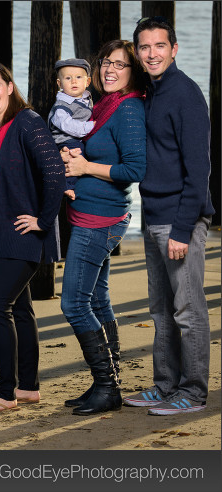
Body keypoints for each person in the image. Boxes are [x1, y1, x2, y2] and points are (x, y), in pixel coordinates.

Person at [123, 17, 214, 415]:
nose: (152, 53)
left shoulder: (185, 94)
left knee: (188, 312)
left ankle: (192, 392)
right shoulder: (152, 92)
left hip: (181, 221)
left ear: (173, 48)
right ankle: (165, 385)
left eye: (159, 46)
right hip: (155, 216)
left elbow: (199, 171)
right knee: (161, 310)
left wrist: (182, 228)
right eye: (144, 47)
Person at [0, 63, 64, 415]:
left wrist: (43, 220)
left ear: (9, 86)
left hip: (20, 236)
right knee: (20, 309)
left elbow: (55, 171)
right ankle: (28, 388)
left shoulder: (27, 122)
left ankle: (5, 393)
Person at [59, 40, 147, 416]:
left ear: (134, 71)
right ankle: (104, 383)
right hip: (93, 215)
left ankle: (108, 386)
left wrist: (83, 168)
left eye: (120, 65)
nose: (110, 69)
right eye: (106, 62)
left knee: (73, 303)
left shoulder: (127, 108)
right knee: (97, 299)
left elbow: (134, 169)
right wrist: (76, 154)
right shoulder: (105, 102)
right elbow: (100, 146)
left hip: (101, 218)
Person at [48, 58, 95, 197]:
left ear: (87, 82)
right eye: (68, 78)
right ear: (59, 83)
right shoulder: (61, 106)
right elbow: (68, 125)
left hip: (78, 138)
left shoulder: (86, 98)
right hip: (65, 140)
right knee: (75, 154)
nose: (74, 81)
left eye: (79, 77)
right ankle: (68, 185)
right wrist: (90, 126)